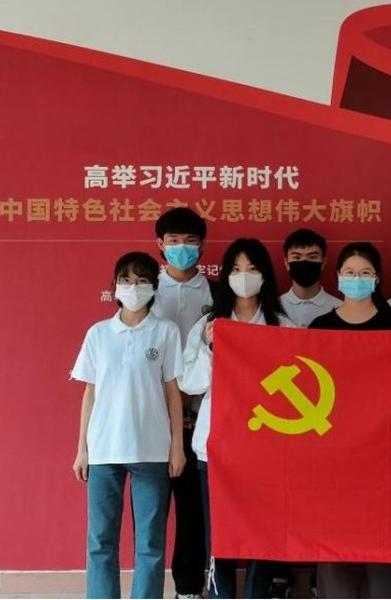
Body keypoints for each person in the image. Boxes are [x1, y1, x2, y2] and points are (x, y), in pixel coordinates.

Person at [179, 238, 294, 599]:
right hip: (216, 448)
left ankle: (257, 593)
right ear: (226, 276)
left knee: (263, 532)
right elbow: (190, 383)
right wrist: (213, 347)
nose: (244, 276)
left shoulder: (283, 326)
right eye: (236, 269)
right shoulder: (208, 325)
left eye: (252, 269)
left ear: (265, 275)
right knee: (219, 533)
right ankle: (220, 595)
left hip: (266, 447)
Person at [71, 251, 186, 599]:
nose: (133, 287)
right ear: (115, 286)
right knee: (101, 540)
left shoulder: (165, 332)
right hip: (104, 450)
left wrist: (177, 447)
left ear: (154, 287)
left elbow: (173, 393)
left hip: (152, 449)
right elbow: (90, 393)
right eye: (126, 280)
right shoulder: (99, 333)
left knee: (150, 542)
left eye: (142, 281)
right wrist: (82, 450)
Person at [309, 242, 391, 598]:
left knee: (382, 538)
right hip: (332, 450)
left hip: (384, 450)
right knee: (332, 539)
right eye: (350, 273)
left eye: (365, 273)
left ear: (377, 278)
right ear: (338, 276)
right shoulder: (320, 327)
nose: (357, 279)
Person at [151, 207, 212, 599]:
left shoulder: (216, 293)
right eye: (174, 241)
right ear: (160, 244)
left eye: (190, 241)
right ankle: (147, 587)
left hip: (200, 415)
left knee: (192, 511)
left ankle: (189, 588)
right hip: (154, 417)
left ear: (202, 245)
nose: (182, 248)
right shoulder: (145, 290)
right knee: (152, 511)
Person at [280, 228, 342, 327]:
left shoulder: (340, 309)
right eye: (297, 257)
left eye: (312, 257)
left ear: (323, 263)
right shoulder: (273, 308)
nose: (304, 262)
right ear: (286, 263)